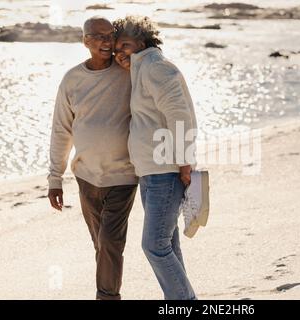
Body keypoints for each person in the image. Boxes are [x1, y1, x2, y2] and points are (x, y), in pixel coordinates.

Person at [47, 16, 138, 300]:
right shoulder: (72, 79)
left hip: (124, 175)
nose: (105, 41)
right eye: (97, 36)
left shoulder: (128, 72)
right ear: (85, 41)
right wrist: (54, 178)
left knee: (111, 241)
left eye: (109, 35)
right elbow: (61, 129)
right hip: (86, 177)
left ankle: (107, 296)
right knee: (101, 244)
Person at [113, 16, 197, 300]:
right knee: (168, 245)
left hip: (166, 171)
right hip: (150, 172)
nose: (120, 52)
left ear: (142, 41)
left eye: (125, 44)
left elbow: (180, 116)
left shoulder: (155, 67)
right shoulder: (142, 69)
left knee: (154, 246)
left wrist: (185, 165)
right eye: (116, 49)